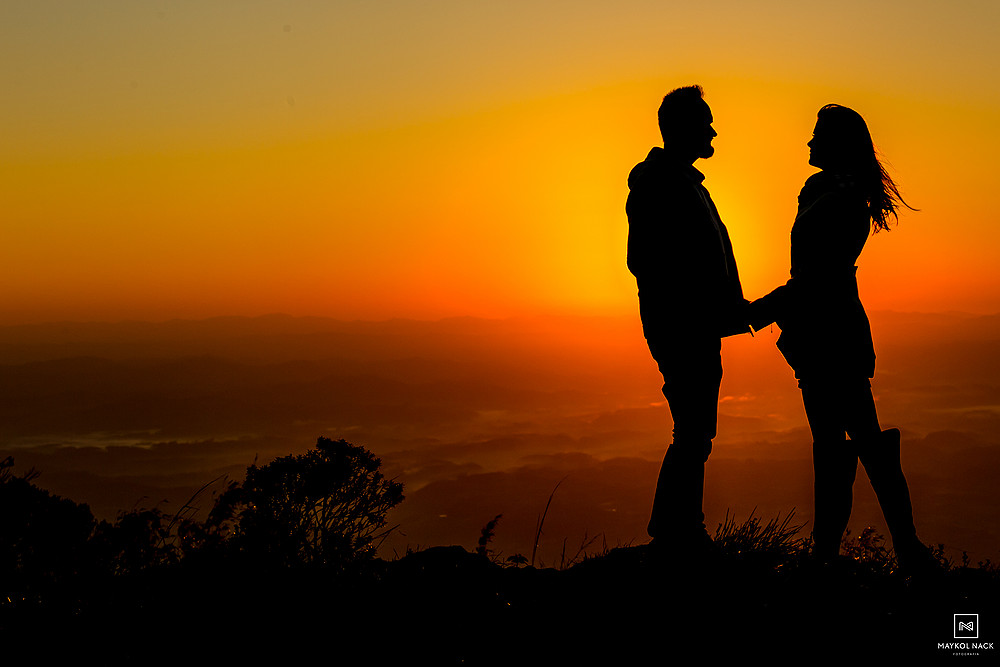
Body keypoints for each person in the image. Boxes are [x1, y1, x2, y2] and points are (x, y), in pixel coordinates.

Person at [747, 104, 936, 573]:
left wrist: (756, 312)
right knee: (842, 442)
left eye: (817, 135)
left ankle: (877, 551)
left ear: (837, 144)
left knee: (855, 441)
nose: (809, 142)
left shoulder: (843, 201)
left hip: (832, 334)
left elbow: (818, 279)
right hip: (817, 334)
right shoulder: (821, 191)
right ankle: (850, 551)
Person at [626, 85, 750, 552]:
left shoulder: (681, 183)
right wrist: (703, 312)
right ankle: (678, 532)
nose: (713, 131)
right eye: (706, 123)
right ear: (682, 129)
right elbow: (647, 261)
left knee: (695, 430)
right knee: (694, 430)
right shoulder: (662, 184)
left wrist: (728, 311)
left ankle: (678, 528)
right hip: (682, 328)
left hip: (693, 325)